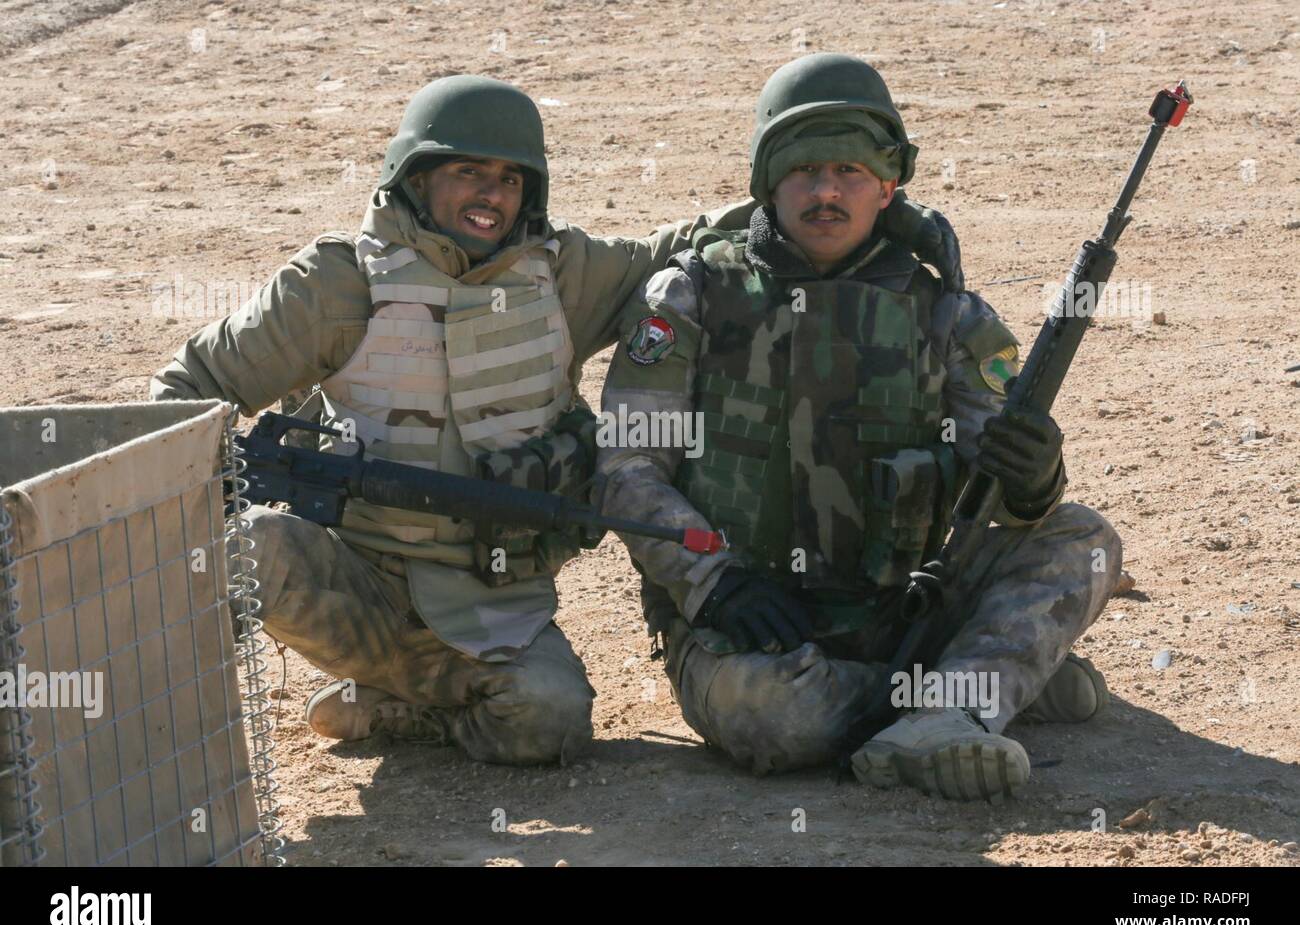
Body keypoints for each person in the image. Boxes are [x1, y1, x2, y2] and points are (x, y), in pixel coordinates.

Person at [151, 73, 960, 767]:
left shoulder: (561, 275)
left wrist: (874, 210)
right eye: (468, 172)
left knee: (548, 723)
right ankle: (159, 745)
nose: (490, 195)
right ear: (415, 176)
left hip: (487, 605)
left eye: (510, 179)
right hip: (349, 578)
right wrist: (177, 493)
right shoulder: (337, 284)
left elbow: (689, 243)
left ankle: (401, 705)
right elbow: (192, 386)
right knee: (243, 553)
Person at [595, 53, 1121, 800]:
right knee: (769, 718)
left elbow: (995, 501)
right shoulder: (691, 295)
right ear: (768, 184)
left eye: (849, 169)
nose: (826, 191)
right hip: (751, 625)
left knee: (1085, 541)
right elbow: (626, 472)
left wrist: (1034, 480)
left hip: (900, 603)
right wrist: (715, 584)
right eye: (803, 170)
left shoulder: (946, 316)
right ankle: (973, 694)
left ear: (888, 184)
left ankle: (944, 711)